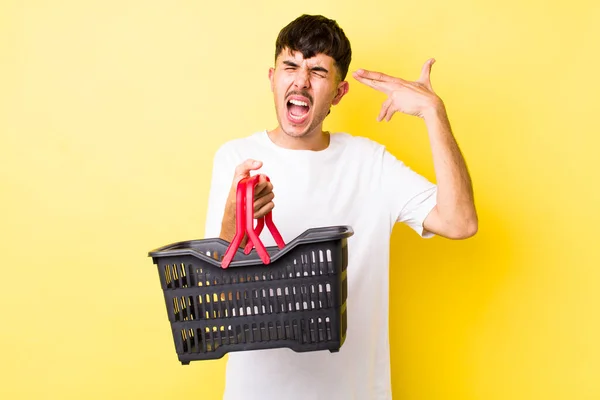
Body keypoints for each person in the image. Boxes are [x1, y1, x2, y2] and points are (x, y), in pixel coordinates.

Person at [204, 14, 478, 400]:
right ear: (272, 77)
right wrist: (236, 219)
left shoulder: (370, 163)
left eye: (317, 70)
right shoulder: (237, 158)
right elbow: (220, 300)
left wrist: (434, 113)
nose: (300, 80)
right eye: (291, 66)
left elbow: (461, 221)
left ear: (338, 92)